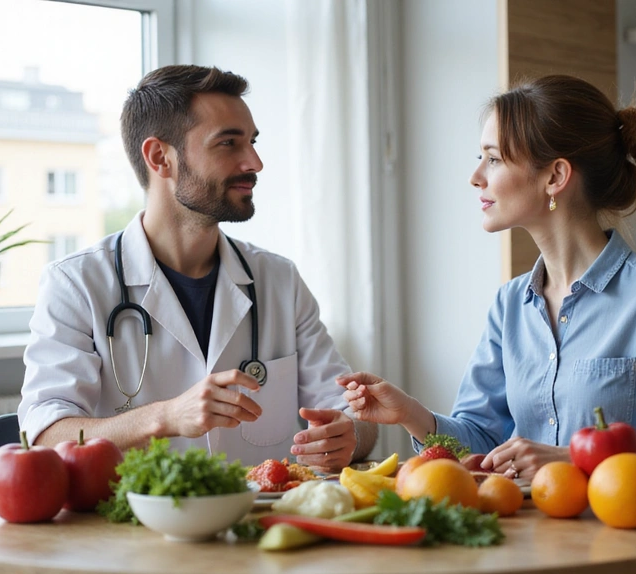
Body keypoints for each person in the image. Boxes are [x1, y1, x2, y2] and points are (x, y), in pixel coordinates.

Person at [339, 75, 636, 485]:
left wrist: (579, 464)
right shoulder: (509, 306)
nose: (476, 177)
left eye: (493, 159)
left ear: (555, 176)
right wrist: (410, 415)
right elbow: (480, 444)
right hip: (537, 545)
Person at [19, 64, 376, 468]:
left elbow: (355, 416)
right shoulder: (76, 284)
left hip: (258, 525)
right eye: (228, 143)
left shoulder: (279, 281)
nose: (254, 162)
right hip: (135, 527)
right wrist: (166, 417)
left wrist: (348, 434)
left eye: (253, 142)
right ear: (160, 157)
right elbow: (47, 436)